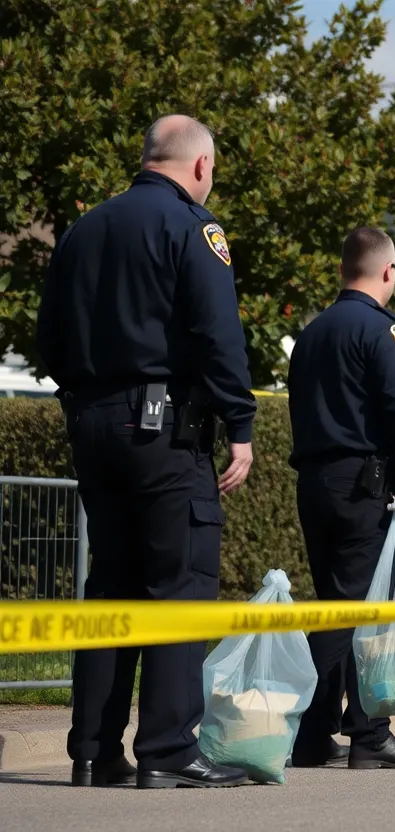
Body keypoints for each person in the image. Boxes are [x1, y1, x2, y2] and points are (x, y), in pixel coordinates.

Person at [35, 115, 257, 789]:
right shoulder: (192, 227)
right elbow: (217, 333)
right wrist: (241, 422)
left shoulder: (83, 230)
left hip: (92, 423)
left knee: (111, 586)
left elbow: (48, 340)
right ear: (200, 166)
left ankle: (93, 751)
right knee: (178, 582)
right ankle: (168, 750)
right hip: (163, 430)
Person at [286, 226, 395, 770]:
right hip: (361, 486)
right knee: (359, 611)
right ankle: (369, 736)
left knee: (336, 606)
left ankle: (314, 735)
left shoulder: (312, 333)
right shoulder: (383, 330)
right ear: (388, 272)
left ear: (341, 269)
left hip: (315, 482)